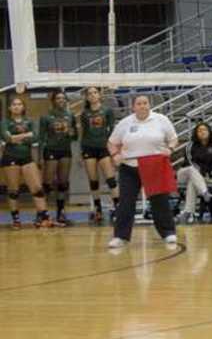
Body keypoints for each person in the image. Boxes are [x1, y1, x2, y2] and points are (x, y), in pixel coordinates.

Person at [107, 95, 178, 248]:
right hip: (129, 167)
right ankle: (120, 236)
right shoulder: (125, 123)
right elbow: (111, 143)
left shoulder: (161, 119)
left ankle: (168, 233)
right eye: (139, 103)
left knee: (160, 201)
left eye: (145, 103)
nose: (142, 106)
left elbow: (173, 138)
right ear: (133, 107)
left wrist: (170, 149)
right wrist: (115, 155)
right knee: (125, 202)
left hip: (154, 165)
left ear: (149, 105)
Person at [2, 95, 52, 228]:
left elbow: (35, 138)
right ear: (9, 108)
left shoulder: (29, 121)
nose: (16, 106)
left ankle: (44, 217)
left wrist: (16, 137)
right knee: (13, 190)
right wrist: (25, 135)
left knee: (37, 189)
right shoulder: (4, 122)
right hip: (10, 157)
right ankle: (16, 219)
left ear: (23, 107)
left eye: (19, 104)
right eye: (14, 104)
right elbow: (8, 139)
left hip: (27, 158)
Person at [77, 86, 119, 225]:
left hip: (103, 148)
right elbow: (83, 133)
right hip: (89, 148)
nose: (93, 95)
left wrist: (114, 151)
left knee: (111, 180)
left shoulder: (107, 111)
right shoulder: (84, 114)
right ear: (87, 97)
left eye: (95, 92)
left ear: (99, 95)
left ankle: (118, 208)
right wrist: (80, 153)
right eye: (90, 93)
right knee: (94, 181)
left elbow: (113, 131)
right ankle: (98, 208)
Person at [39, 89, 77, 226]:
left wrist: (71, 132)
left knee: (63, 183)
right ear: (53, 100)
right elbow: (41, 138)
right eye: (58, 98)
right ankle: (42, 213)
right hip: (50, 151)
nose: (61, 100)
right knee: (47, 184)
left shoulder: (70, 115)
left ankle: (60, 213)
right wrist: (39, 158)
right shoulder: (46, 117)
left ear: (66, 100)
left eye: (63, 98)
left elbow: (75, 137)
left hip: (65, 151)